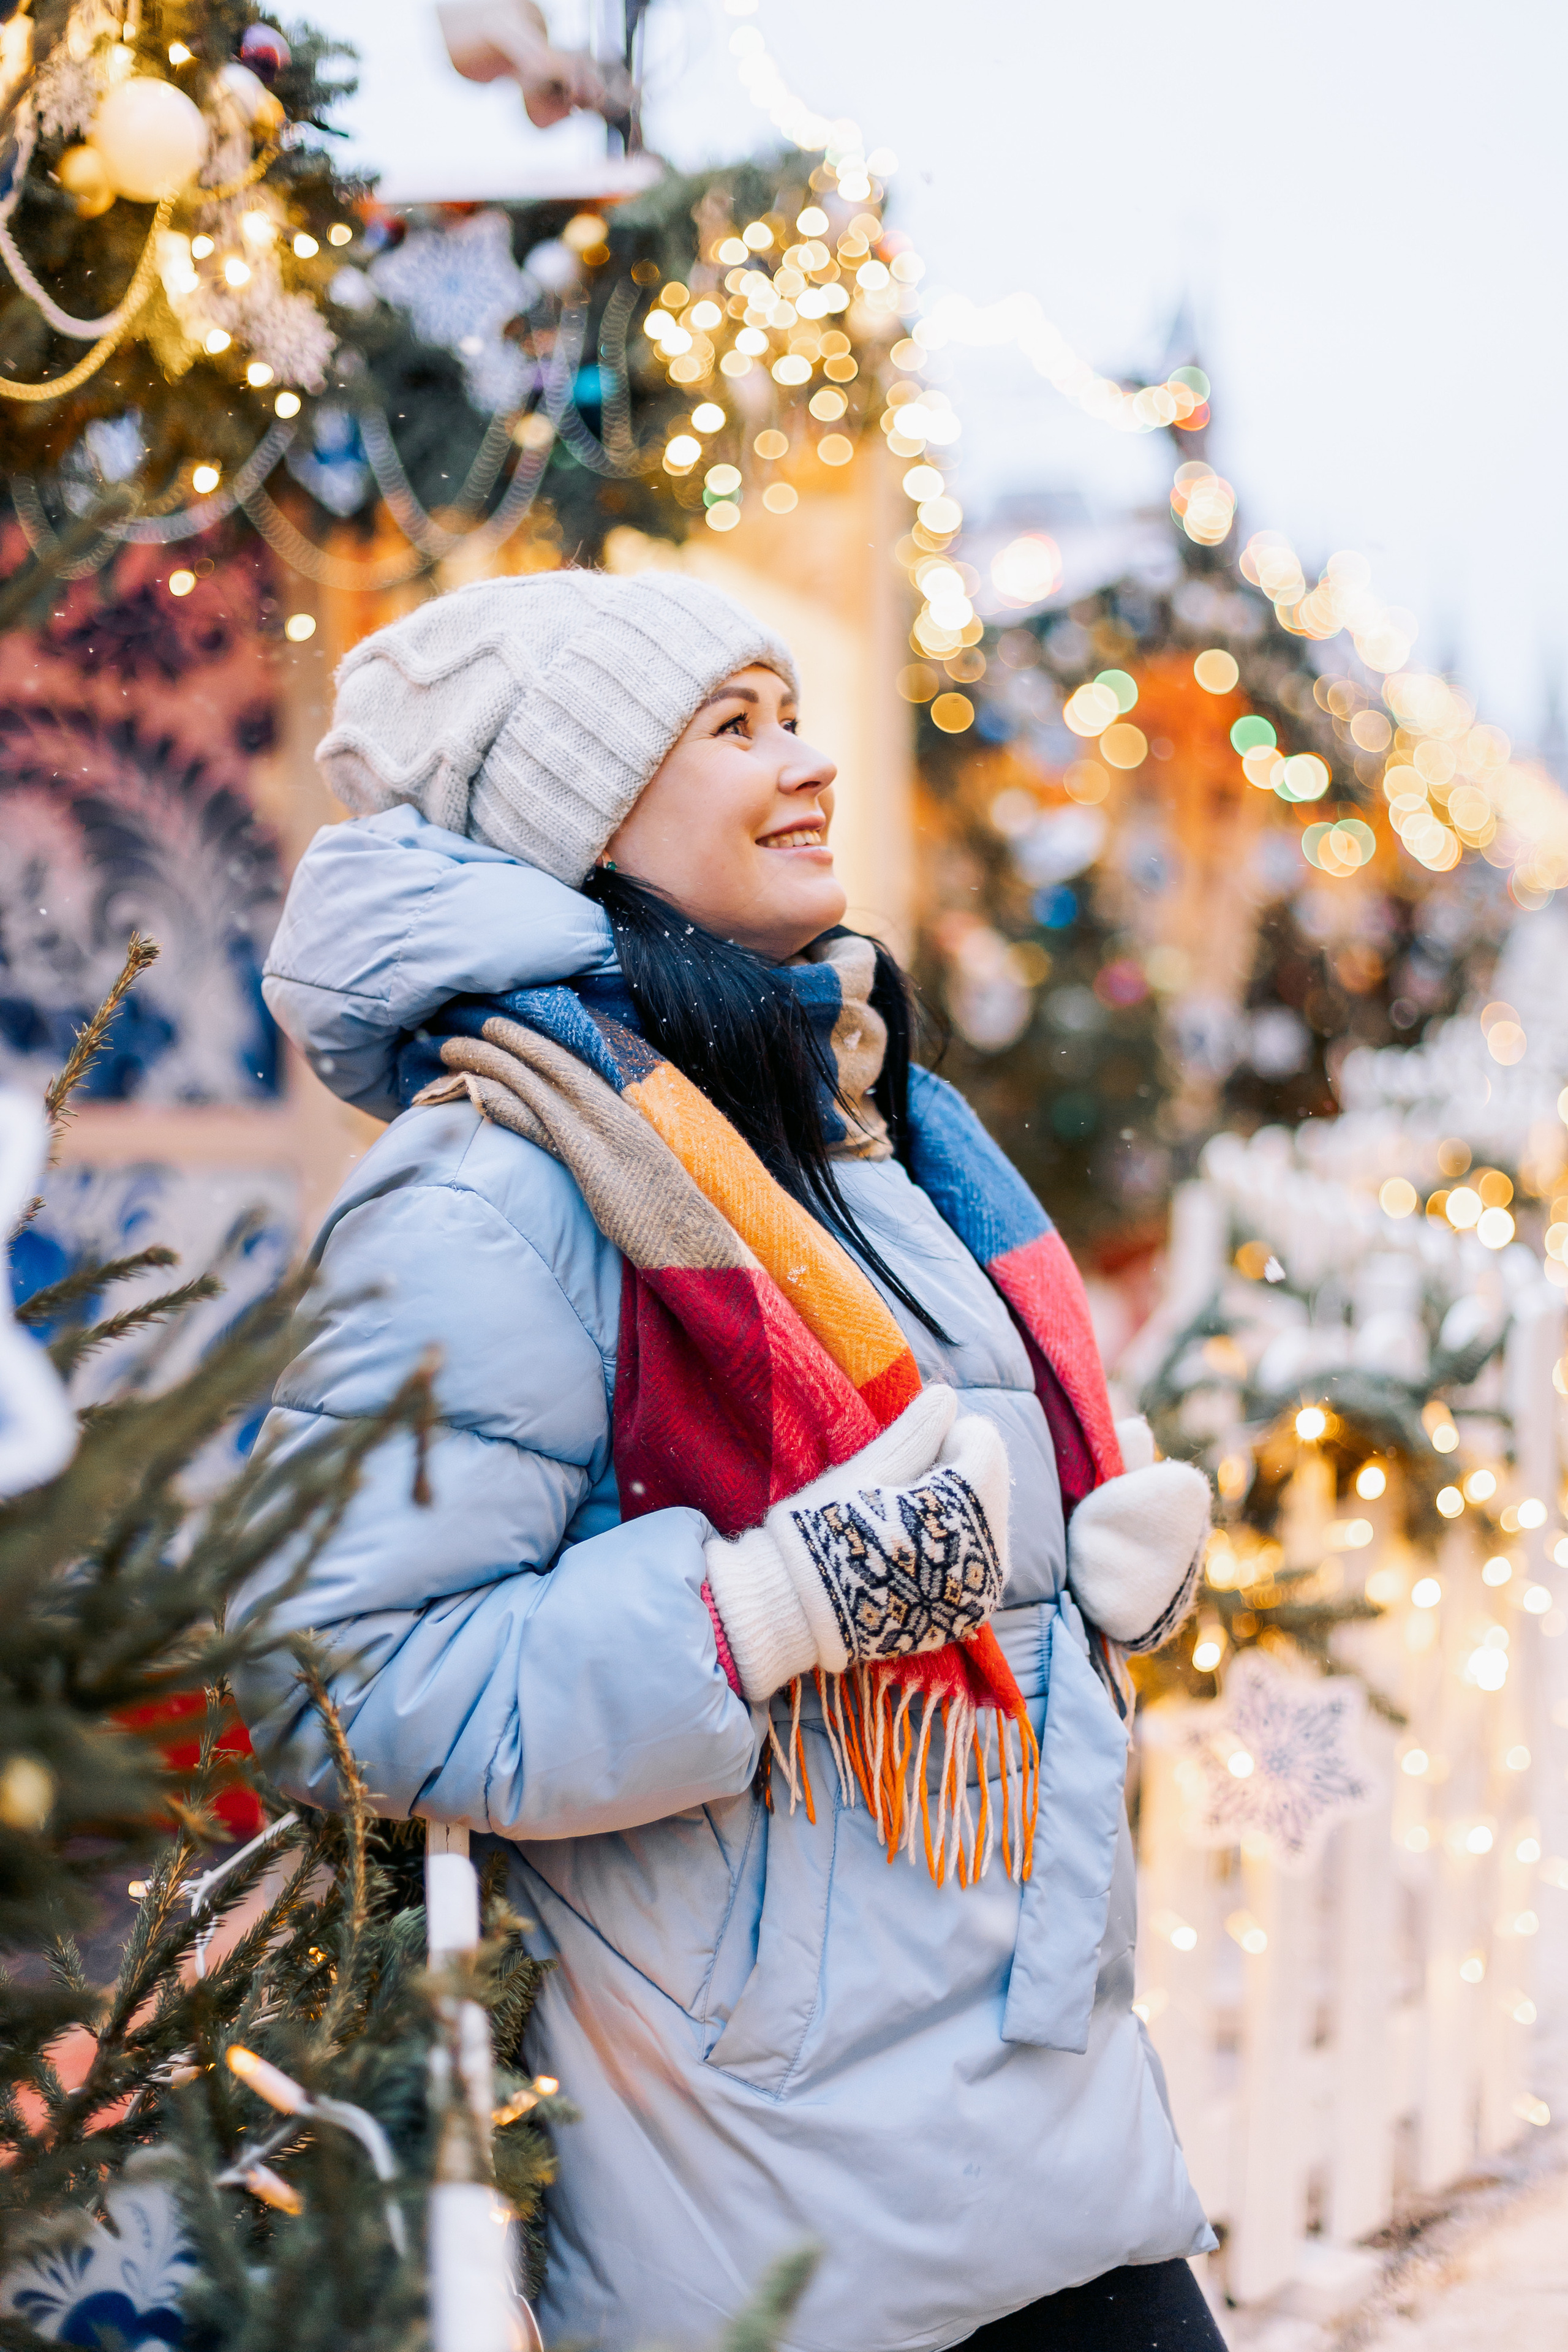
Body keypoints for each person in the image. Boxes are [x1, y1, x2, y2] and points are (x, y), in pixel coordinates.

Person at [238, 570, 1225, 2352]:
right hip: (778, 2211)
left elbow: (940, 1506)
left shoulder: (855, 1127)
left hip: (1046, 2112)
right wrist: (766, 1603)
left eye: (793, 713)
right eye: (732, 725)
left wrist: (1079, 1547)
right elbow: (341, 1683)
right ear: (584, 811)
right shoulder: (497, 1188)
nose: (807, 765)